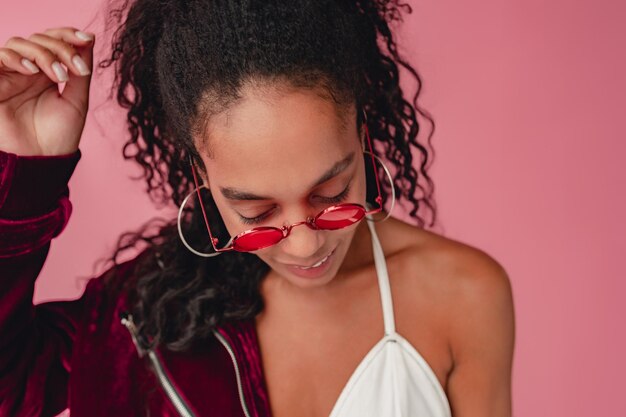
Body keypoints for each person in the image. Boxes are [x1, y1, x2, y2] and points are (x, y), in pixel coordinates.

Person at [0, 0, 515, 416]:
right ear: (203, 178)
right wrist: (26, 175)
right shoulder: (143, 316)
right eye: (256, 213)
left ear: (361, 136)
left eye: (332, 193)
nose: (306, 243)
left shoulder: (465, 294)